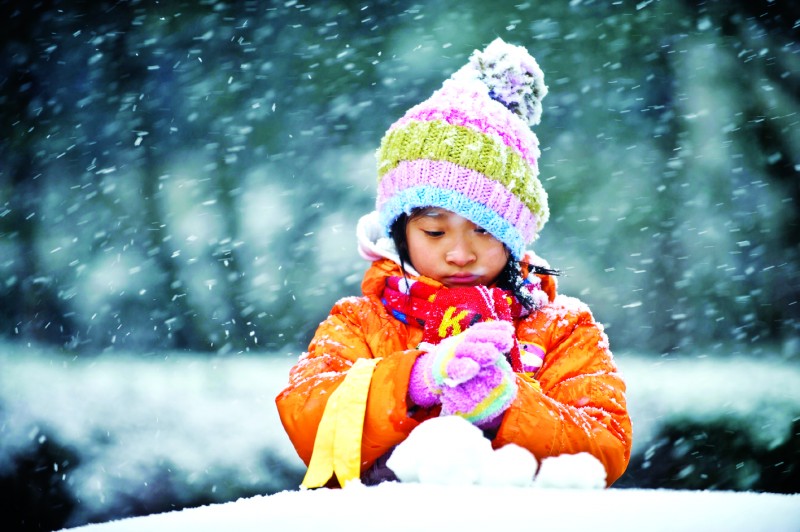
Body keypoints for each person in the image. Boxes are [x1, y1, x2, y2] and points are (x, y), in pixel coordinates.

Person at [275, 38, 632, 489]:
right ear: (400, 233)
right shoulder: (362, 322)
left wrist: (508, 406)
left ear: (514, 237)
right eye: (435, 231)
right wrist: (415, 381)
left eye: (484, 230)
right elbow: (306, 416)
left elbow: (608, 445)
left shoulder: (562, 328)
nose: (460, 252)